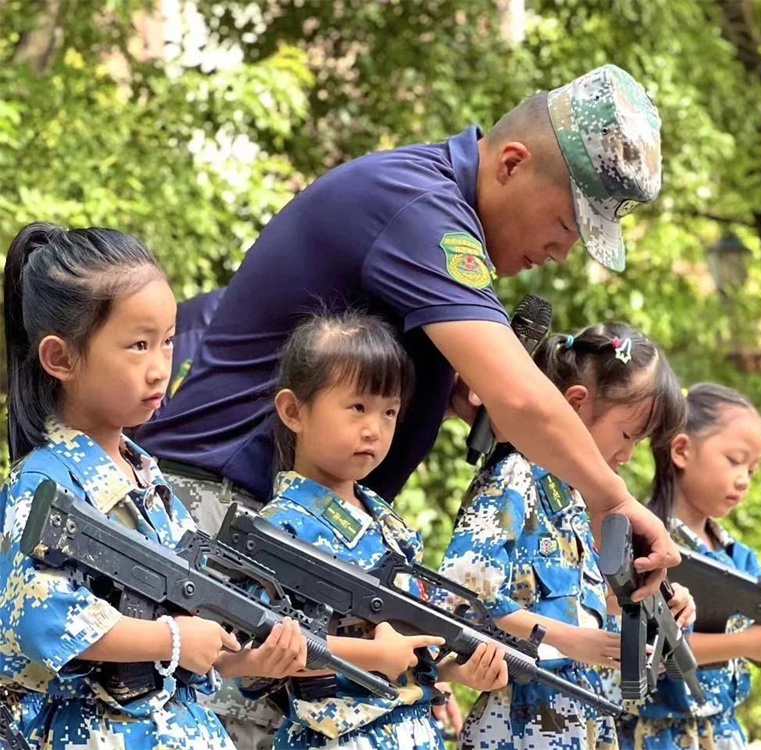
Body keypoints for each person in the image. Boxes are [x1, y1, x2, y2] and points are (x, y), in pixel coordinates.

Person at [135, 63, 678, 590]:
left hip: (280, 520)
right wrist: (614, 500)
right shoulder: (423, 211)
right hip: (219, 512)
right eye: (565, 224)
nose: (562, 252)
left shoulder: (434, 206)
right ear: (511, 164)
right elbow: (520, 396)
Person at [0, 223, 305, 749]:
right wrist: (172, 639)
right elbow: (36, 616)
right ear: (60, 358)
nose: (160, 368)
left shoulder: (147, 475)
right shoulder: (42, 483)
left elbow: (189, 629)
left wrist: (247, 659)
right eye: (138, 345)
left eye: (167, 342)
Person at [259, 312, 509, 750]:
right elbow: (264, 648)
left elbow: (410, 644)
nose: (374, 429)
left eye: (389, 411)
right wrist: (374, 655)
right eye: (357, 407)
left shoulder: (383, 518)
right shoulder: (280, 527)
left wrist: (456, 670)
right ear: (293, 411)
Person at [438, 323, 693, 750]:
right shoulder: (515, 476)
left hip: (585, 724)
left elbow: (582, 607)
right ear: (576, 404)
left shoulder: (576, 499)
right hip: (517, 725)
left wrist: (653, 607)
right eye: (628, 435)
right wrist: (571, 642)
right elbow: (461, 601)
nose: (629, 456)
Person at [627, 384, 761, 750]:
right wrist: (746, 643)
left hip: (726, 735)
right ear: (682, 450)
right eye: (735, 461)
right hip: (655, 737)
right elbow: (639, 650)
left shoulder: (741, 557)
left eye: (752, 470)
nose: (744, 480)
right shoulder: (645, 544)